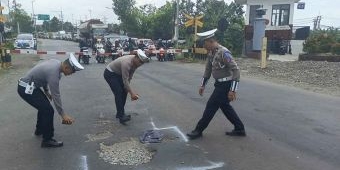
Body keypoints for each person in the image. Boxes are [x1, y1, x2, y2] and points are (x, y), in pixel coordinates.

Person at [187, 29, 246, 140]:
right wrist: (202, 85)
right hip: (219, 85)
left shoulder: (224, 52)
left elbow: (236, 70)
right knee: (225, 107)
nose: (204, 46)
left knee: (211, 106)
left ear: (210, 41)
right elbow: (208, 70)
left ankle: (198, 130)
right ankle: (239, 128)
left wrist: (233, 90)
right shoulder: (211, 53)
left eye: (204, 43)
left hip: (226, 85)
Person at [17, 54, 84, 148]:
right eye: (71, 72)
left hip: (30, 87)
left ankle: (39, 130)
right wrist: (63, 115)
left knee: (44, 107)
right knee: (48, 110)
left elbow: (44, 77)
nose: (71, 74)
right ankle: (47, 140)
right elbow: (56, 95)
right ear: (66, 67)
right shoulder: (54, 73)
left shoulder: (55, 63)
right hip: (26, 89)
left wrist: (47, 91)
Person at [104, 49, 149, 125]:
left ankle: (120, 113)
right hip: (110, 73)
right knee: (118, 92)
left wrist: (128, 89)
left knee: (124, 91)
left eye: (142, 63)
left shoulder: (136, 63)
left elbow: (129, 77)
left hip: (119, 74)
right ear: (136, 57)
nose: (140, 64)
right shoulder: (127, 63)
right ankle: (121, 116)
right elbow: (125, 80)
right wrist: (132, 94)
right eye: (140, 62)